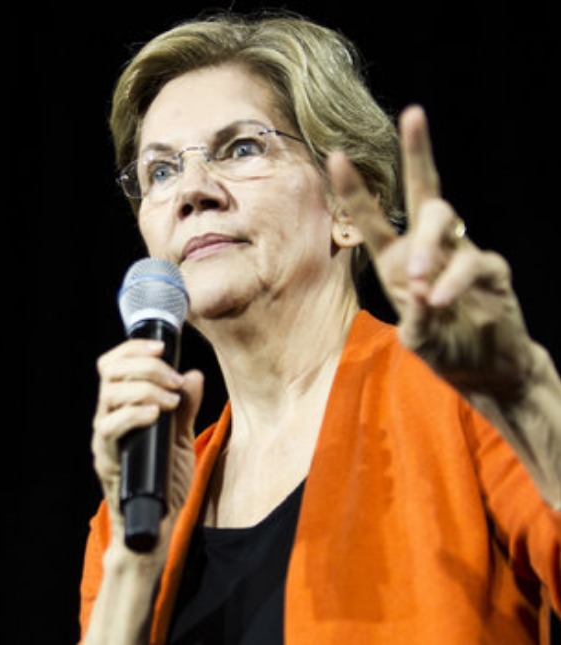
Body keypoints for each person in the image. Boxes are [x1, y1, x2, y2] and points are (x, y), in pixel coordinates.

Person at [78, 9, 561, 644]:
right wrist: (132, 569)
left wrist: (530, 404)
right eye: (161, 171)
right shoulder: (134, 508)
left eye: (242, 148)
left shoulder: (462, 403)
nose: (191, 192)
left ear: (347, 206)